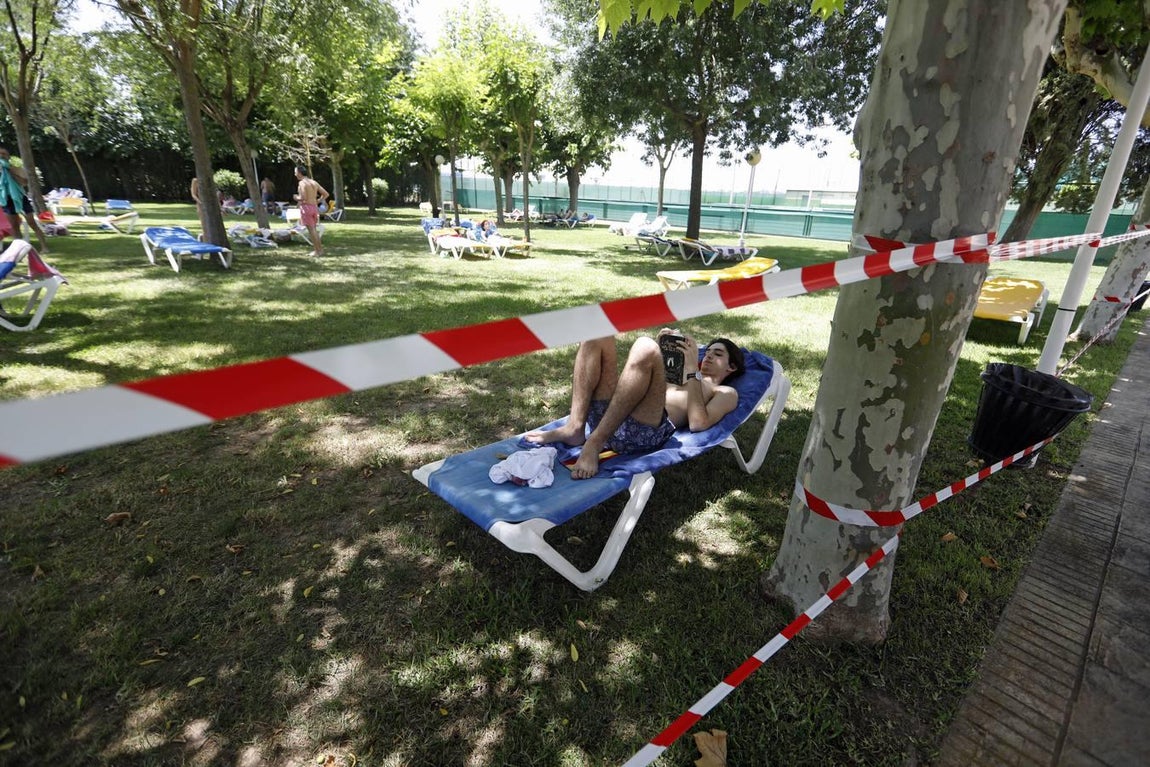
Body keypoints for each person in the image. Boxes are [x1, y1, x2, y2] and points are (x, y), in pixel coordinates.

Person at [526, 329, 744, 479]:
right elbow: (643, 380)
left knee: (645, 346)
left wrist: (692, 371)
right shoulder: (681, 371)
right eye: (708, 352)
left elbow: (699, 423)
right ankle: (575, 427)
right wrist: (663, 352)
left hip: (642, 432)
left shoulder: (725, 391)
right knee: (598, 333)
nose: (708, 357)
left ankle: (594, 442)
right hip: (614, 417)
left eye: (717, 354)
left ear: (731, 367)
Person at [0, 146, 48, 253]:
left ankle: (44, 247)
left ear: (8, 157)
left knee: (32, 223)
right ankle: (19, 251)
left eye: (4, 154)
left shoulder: (17, 169)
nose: (1, 156)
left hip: (20, 198)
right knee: (14, 226)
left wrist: (10, 171)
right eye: (0, 154)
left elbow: (24, 182)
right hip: (6, 200)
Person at [293, 165, 330, 257]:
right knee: (314, 230)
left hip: (306, 208)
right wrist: (317, 201)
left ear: (300, 173)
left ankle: (317, 251)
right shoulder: (313, 182)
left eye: (295, 172)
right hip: (314, 207)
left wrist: (296, 197)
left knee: (312, 230)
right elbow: (326, 194)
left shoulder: (302, 183)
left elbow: (303, 197)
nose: (295, 174)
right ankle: (319, 250)